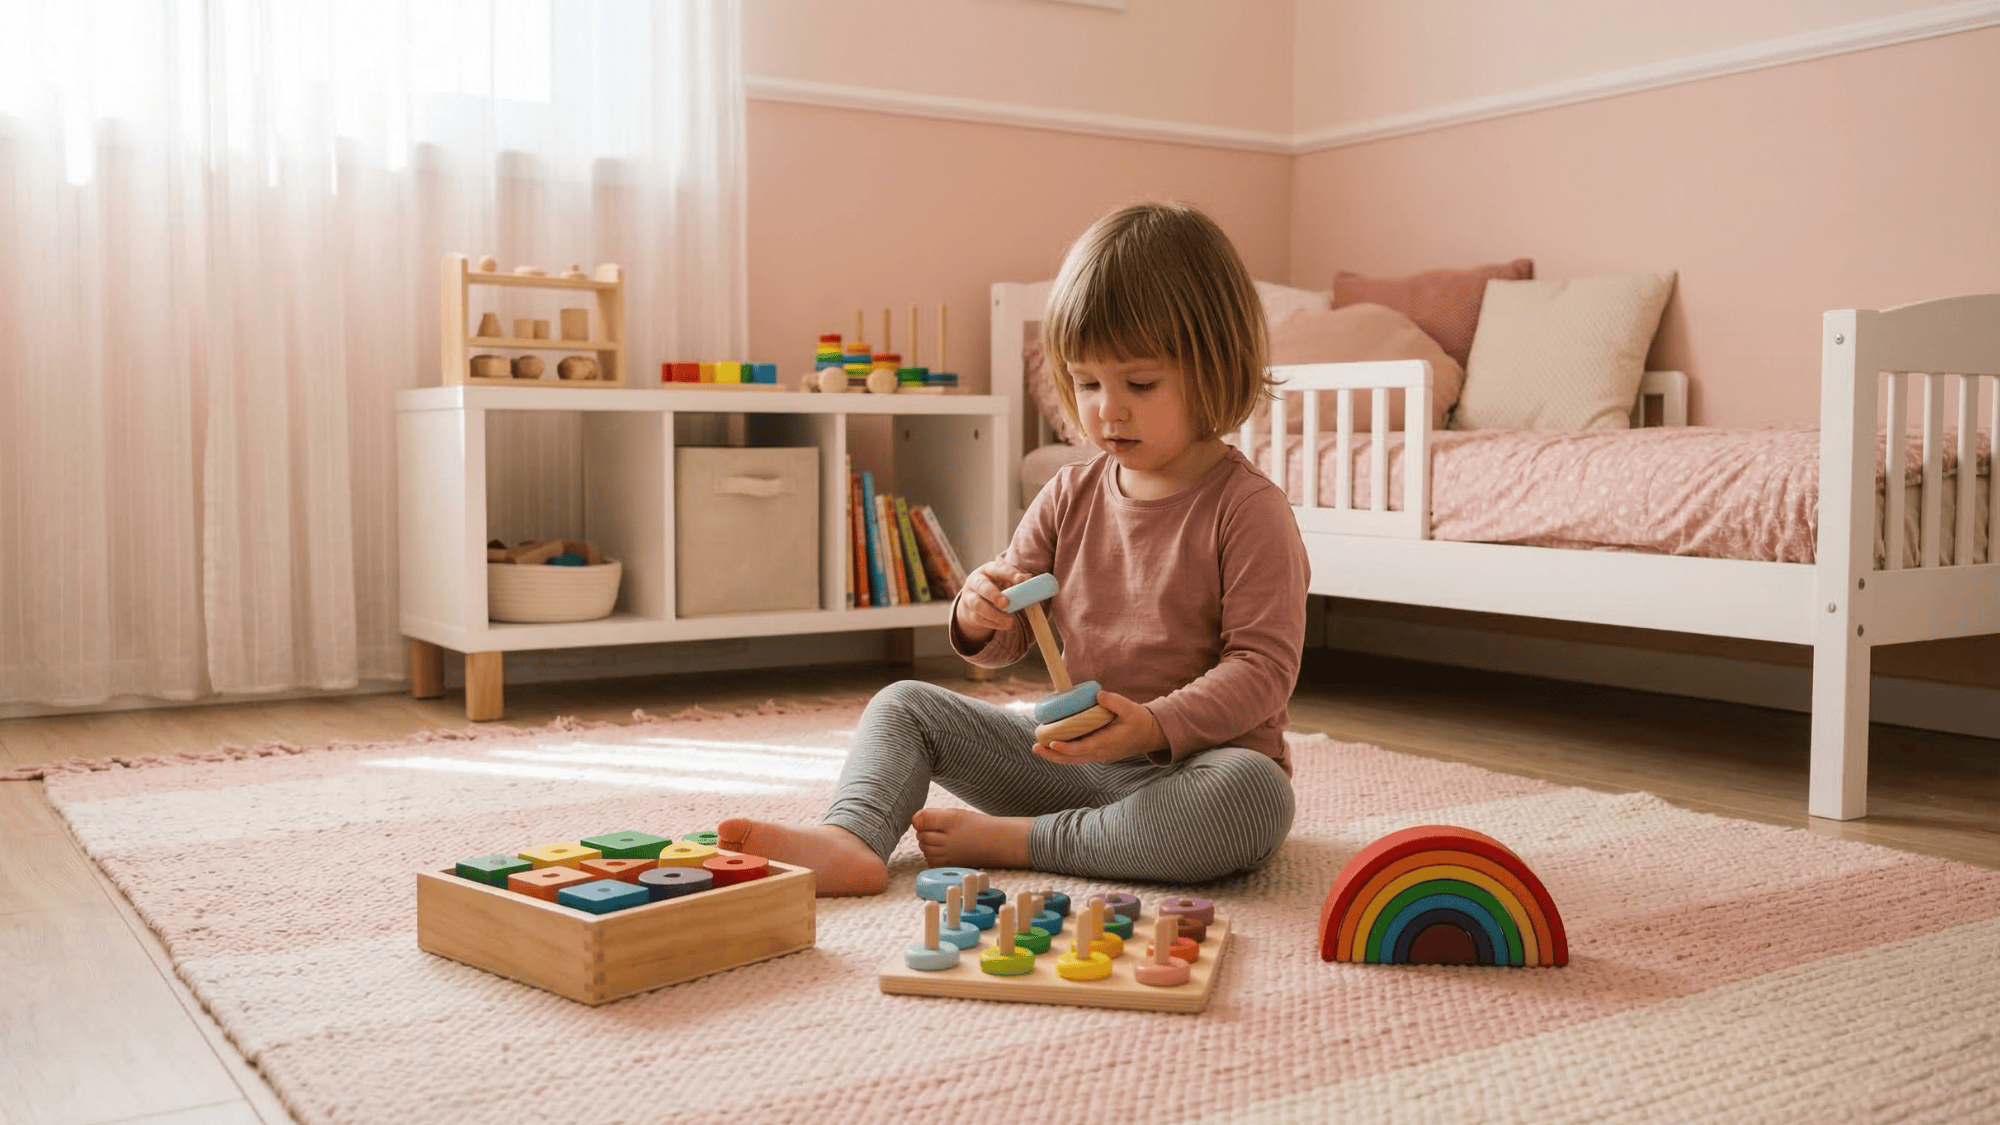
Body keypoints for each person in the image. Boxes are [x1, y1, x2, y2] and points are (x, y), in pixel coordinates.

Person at [719, 202, 1309, 894]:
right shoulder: (1068, 492)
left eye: (1139, 384)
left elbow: (1263, 670)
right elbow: (1005, 640)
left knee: (1253, 797)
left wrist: (1151, 724)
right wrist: (979, 610)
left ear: (1214, 367)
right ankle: (852, 837)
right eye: (1087, 382)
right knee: (903, 703)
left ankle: (1028, 841)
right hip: (1072, 761)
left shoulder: (1248, 510)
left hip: (1192, 771)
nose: (1106, 410)